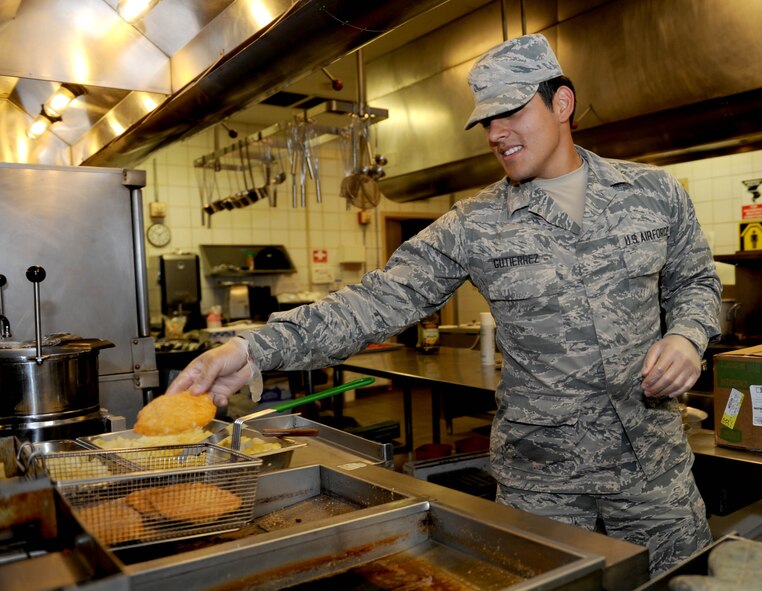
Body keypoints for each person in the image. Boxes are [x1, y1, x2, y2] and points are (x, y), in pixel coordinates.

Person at [166, 34, 721, 575]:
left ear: (562, 103)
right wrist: (254, 348)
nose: (495, 134)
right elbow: (375, 301)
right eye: (486, 121)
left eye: (511, 113)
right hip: (543, 483)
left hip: (652, 471)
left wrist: (687, 337)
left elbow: (695, 282)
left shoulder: (654, 194)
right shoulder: (474, 225)